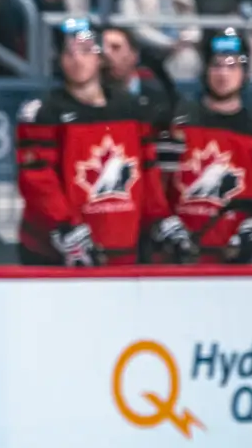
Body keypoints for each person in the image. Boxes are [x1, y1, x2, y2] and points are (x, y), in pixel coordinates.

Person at [15, 17, 195, 266]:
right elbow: (38, 181)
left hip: (123, 245)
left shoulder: (132, 108)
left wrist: (159, 218)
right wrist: (64, 225)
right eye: (69, 52)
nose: (77, 60)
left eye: (85, 51)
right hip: (55, 252)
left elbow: (147, 172)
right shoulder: (42, 112)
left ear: (100, 57)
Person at [165, 30, 252, 265]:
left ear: (245, 72)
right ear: (205, 69)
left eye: (232, 66)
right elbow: (160, 184)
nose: (223, 74)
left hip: (238, 254)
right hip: (183, 255)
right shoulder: (178, 121)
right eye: (216, 65)